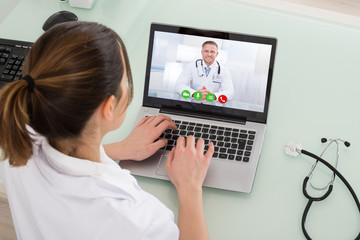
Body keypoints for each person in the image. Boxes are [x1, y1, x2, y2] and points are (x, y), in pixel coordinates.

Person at [0, 21, 214, 240]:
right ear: (109, 108)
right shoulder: (136, 221)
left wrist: (118, 150)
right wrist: (190, 189)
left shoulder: (17, 135)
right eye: (124, 81)